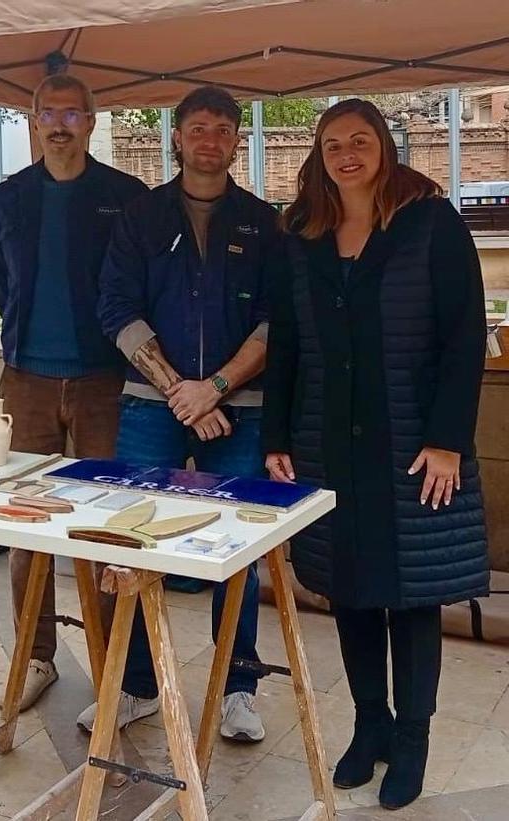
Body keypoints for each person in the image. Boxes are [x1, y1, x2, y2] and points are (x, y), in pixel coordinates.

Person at [263, 98, 489, 810]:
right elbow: (288, 346)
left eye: (360, 140)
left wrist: (448, 438)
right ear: (319, 157)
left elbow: (463, 337)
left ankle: (414, 739)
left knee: (413, 596)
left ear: (384, 147)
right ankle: (371, 726)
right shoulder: (301, 236)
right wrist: (275, 438)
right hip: (328, 445)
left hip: (417, 449)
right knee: (351, 591)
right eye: (333, 144)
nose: (347, 153)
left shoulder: (431, 223)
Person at [98, 86, 277, 741]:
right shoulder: (140, 217)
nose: (209, 140)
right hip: (152, 407)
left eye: (222, 129)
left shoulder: (263, 222)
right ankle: (138, 685)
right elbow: (114, 307)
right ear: (176, 138)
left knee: (240, 552)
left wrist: (218, 386)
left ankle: (239, 689)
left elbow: (275, 320)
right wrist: (181, 389)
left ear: (236, 141)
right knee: (134, 543)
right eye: (197, 128)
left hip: (243, 411)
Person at [0, 73, 148, 710]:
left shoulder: (124, 197)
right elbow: (4, 285)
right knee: (24, 523)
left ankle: (113, 668)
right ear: (31, 121)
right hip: (25, 380)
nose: (59, 124)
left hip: (104, 382)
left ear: (92, 121)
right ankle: (36, 656)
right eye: (47, 112)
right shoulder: (9, 200)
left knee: (105, 523)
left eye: (72, 114)